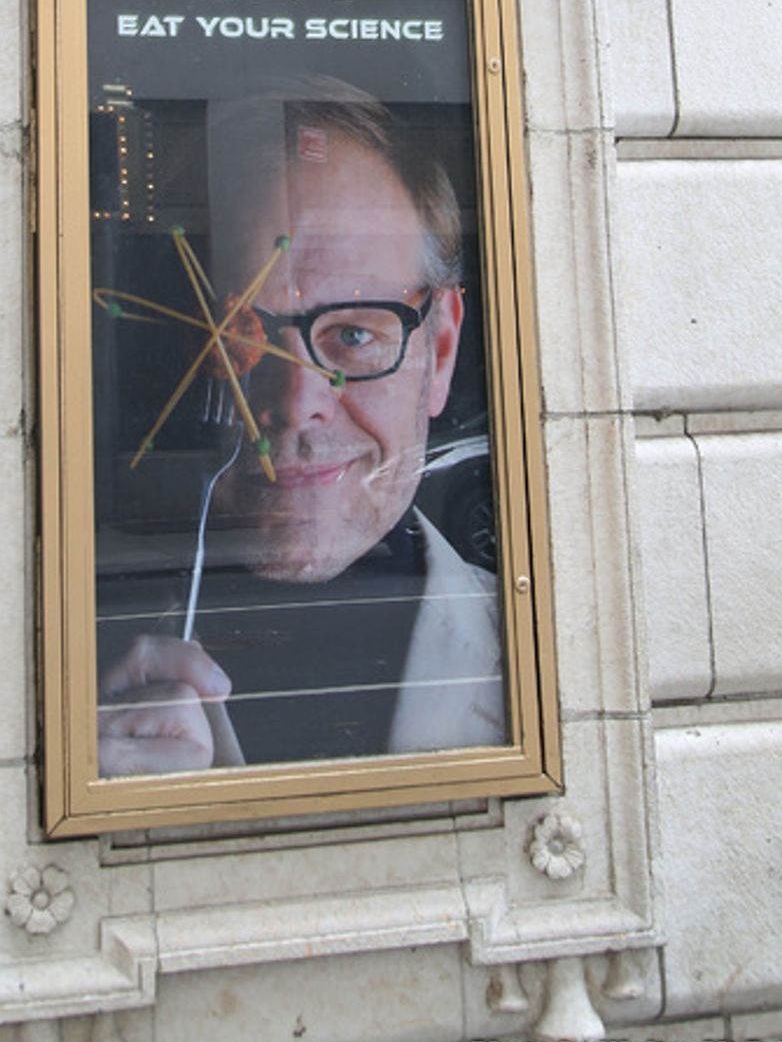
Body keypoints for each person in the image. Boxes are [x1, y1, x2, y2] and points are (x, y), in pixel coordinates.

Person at [97, 81, 505, 776]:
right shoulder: (76, 646)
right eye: (236, 335)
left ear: (439, 352)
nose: (296, 400)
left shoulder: (537, 655)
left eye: (354, 333)